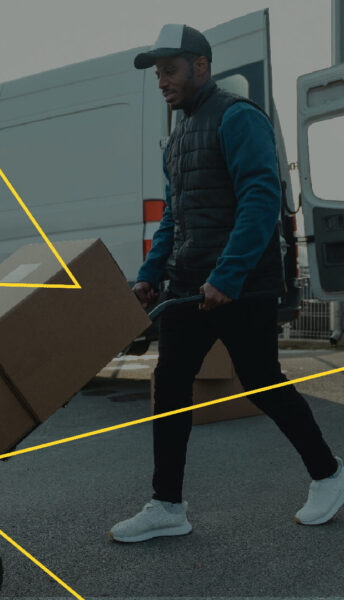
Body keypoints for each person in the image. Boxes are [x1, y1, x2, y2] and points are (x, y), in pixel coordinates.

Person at [109, 24, 344, 543]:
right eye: (157, 74)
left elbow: (261, 198)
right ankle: (167, 505)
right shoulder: (176, 138)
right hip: (190, 287)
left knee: (262, 381)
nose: (162, 82)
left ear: (200, 65)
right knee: (170, 388)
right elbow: (175, 215)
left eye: (169, 70)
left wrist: (229, 274)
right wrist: (150, 276)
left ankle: (329, 474)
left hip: (240, 287)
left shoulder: (238, 119)